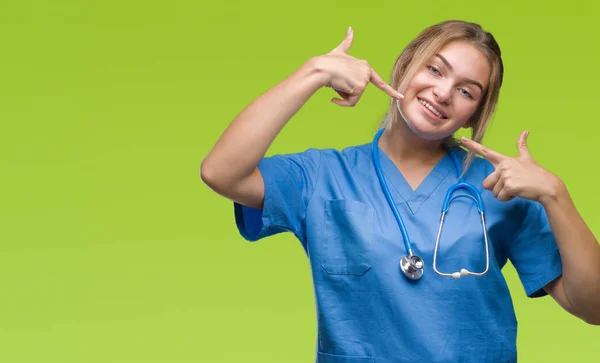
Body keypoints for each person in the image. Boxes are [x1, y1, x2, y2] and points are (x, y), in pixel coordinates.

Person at [201, 20, 600, 362]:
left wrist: (555, 194)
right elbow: (221, 173)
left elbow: (593, 307)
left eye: (467, 91)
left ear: (475, 113)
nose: (443, 93)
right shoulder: (322, 175)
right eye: (435, 70)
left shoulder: (497, 187)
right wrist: (315, 72)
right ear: (406, 65)